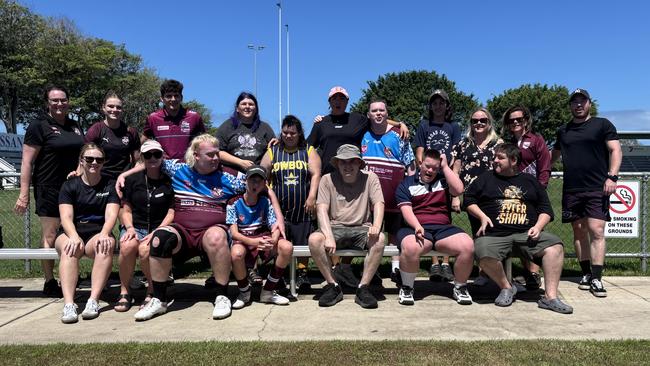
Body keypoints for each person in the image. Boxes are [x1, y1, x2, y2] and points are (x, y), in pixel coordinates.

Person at [464, 143, 573, 313]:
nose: (494, 161)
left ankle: (550, 297)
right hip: (495, 235)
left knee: (555, 246)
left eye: (500, 158)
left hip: (526, 235)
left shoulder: (530, 181)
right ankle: (506, 287)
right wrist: (482, 216)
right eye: (494, 157)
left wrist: (538, 226)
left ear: (513, 160)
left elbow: (546, 210)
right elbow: (468, 200)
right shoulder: (486, 178)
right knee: (481, 251)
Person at [14, 85, 84, 298]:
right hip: (49, 188)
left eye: (63, 100)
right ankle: (49, 280)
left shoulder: (75, 126)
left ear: (68, 101)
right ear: (47, 103)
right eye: (55, 100)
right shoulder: (39, 126)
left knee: (72, 232)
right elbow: (26, 162)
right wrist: (23, 194)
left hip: (74, 188)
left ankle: (68, 275)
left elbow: (84, 154)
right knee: (51, 235)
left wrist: (80, 171)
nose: (59, 104)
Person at [551, 88, 622, 297]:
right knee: (579, 230)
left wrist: (612, 176)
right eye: (575, 102)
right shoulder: (563, 131)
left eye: (582, 101)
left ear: (589, 103)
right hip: (572, 188)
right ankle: (585, 274)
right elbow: (552, 156)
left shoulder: (602, 125)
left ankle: (597, 278)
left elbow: (616, 150)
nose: (578, 105)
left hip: (597, 187)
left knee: (597, 230)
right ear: (570, 106)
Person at [307, 144, 385, 308]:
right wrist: (328, 236)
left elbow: (378, 203)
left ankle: (363, 287)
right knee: (315, 239)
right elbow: (321, 208)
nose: (347, 166)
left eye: (352, 162)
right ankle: (333, 286)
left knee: (380, 239)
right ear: (337, 164)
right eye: (343, 162)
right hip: (335, 227)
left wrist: (376, 225)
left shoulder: (370, 178)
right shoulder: (327, 179)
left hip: (362, 227)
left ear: (359, 163)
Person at [395, 149, 474, 306]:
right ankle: (407, 287)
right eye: (427, 166)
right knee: (410, 247)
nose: (430, 171)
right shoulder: (406, 184)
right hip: (415, 227)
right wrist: (417, 226)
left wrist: (445, 168)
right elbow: (406, 211)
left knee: (468, 245)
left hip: (443, 227)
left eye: (435, 168)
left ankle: (460, 287)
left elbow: (458, 190)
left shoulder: (444, 180)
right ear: (420, 163)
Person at [56, 144, 120, 323]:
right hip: (71, 231)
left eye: (99, 159)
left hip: (97, 232)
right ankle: (69, 304)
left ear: (104, 162)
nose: (94, 163)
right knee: (70, 248)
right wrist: (74, 237)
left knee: (105, 245)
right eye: (89, 159)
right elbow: (66, 217)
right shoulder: (70, 185)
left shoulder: (110, 184)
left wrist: (105, 233)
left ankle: (93, 300)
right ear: (81, 161)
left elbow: (111, 215)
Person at [260, 115, 321, 292]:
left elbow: (316, 174)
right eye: (285, 132)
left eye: (292, 133)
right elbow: (262, 173)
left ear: (299, 133)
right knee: (280, 242)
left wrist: (312, 197)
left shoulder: (308, 150)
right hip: (279, 209)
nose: (288, 136)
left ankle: (302, 274)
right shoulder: (273, 151)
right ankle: (278, 274)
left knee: (302, 242)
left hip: (303, 207)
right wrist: (268, 195)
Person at [360, 99, 415, 285]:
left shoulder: (399, 134)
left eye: (381, 110)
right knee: (371, 233)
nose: (378, 113)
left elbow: (411, 165)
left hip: (394, 194)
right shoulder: (362, 133)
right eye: (374, 110)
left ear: (387, 113)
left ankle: (395, 269)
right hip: (368, 197)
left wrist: (409, 189)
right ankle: (372, 269)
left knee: (394, 233)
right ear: (369, 114)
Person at [115, 140, 174, 312]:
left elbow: (171, 212)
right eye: (148, 155)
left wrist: (158, 230)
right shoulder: (133, 180)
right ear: (142, 158)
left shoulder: (169, 182)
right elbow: (125, 209)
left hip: (159, 227)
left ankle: (152, 290)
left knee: (145, 250)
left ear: (162, 156)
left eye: (157, 154)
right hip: (136, 226)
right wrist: (130, 228)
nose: (153, 158)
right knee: (127, 246)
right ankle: (125, 291)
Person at [414, 89, 462, 282]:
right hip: (428, 176)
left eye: (441, 102)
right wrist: (425, 171)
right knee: (428, 215)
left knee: (445, 218)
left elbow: (456, 155)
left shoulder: (453, 126)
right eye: (434, 103)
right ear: (430, 106)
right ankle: (434, 262)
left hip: (445, 177)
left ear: (446, 105)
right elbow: (419, 151)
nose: (438, 106)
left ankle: (446, 261)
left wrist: (453, 182)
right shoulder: (424, 125)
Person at [451, 107, 502, 286]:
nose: (478, 123)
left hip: (494, 196)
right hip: (471, 198)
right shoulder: (462, 144)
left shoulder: (498, 144)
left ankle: (496, 273)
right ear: (470, 124)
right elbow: (455, 171)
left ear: (489, 123)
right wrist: (456, 196)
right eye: (475, 121)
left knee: (496, 233)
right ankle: (483, 272)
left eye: (483, 120)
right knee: (478, 234)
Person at [502, 105, 552, 291]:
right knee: (518, 229)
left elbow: (545, 165)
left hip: (533, 193)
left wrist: (540, 189)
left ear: (526, 120)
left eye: (519, 119)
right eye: (511, 120)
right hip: (513, 195)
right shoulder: (507, 143)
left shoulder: (536, 140)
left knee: (533, 232)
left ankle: (534, 273)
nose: (515, 122)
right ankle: (527, 271)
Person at [229, 166, 293, 308]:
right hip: (244, 238)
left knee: (286, 247)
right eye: (252, 180)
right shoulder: (233, 202)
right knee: (236, 254)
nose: (255, 184)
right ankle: (244, 292)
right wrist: (253, 241)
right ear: (245, 181)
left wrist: (273, 240)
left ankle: (268, 291)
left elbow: (274, 225)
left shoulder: (265, 201)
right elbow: (234, 233)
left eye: (259, 181)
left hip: (262, 237)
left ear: (265, 184)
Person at [308, 86, 408, 175]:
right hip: (327, 175)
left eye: (342, 98)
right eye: (334, 98)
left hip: (352, 177)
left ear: (347, 101)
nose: (338, 101)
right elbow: (308, 146)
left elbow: (377, 120)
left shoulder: (357, 119)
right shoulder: (321, 123)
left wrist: (399, 124)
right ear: (330, 102)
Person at [142, 79, 206, 160]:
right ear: (162, 98)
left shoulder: (194, 117)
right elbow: (144, 139)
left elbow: (205, 140)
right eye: (169, 96)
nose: (173, 99)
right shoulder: (153, 118)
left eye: (176, 96)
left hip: (189, 166)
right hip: (162, 166)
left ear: (181, 97)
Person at [84, 91, 140, 179]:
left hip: (125, 178)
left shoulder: (131, 132)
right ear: (103, 108)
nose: (114, 110)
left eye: (118, 107)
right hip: (101, 179)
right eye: (110, 106)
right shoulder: (95, 130)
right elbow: (84, 158)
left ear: (122, 110)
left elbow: (137, 161)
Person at [216, 92, 276, 172]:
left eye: (251, 104)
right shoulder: (227, 126)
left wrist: (279, 141)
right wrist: (240, 162)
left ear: (256, 108)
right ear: (237, 108)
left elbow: (274, 152)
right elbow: (217, 152)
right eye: (244, 104)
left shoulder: (265, 128)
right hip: (232, 176)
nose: (247, 107)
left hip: (257, 177)